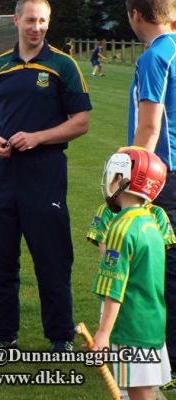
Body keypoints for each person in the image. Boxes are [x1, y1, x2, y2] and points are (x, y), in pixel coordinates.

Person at [0, 0, 91, 355]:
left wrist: (38, 137)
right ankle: (2, 336)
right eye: (30, 20)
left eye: (42, 21)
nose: (36, 27)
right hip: (0, 173)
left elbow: (81, 121)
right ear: (16, 20)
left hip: (44, 172)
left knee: (52, 258)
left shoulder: (63, 65)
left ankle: (60, 336)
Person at [124, 0, 176, 390]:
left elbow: (149, 127)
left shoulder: (155, 56)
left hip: (163, 177)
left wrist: (130, 180)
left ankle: (169, 361)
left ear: (135, 15)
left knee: (163, 269)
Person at [92, 147, 170, 400]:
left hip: (131, 328)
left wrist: (103, 333)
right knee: (146, 391)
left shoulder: (121, 228)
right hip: (153, 321)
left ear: (123, 179)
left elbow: (114, 287)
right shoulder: (152, 222)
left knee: (138, 392)